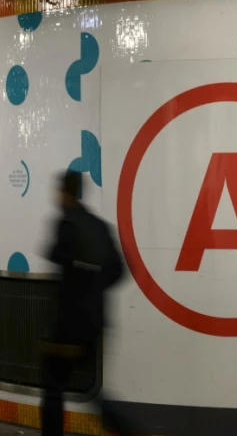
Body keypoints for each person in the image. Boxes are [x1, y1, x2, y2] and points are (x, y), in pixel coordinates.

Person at [41, 171, 137, 436]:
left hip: (70, 325)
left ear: (63, 193)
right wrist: (96, 289)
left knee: (52, 387)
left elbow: (57, 254)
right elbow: (118, 269)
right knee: (91, 391)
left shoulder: (67, 223)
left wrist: (81, 286)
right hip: (96, 322)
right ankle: (125, 429)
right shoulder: (99, 226)